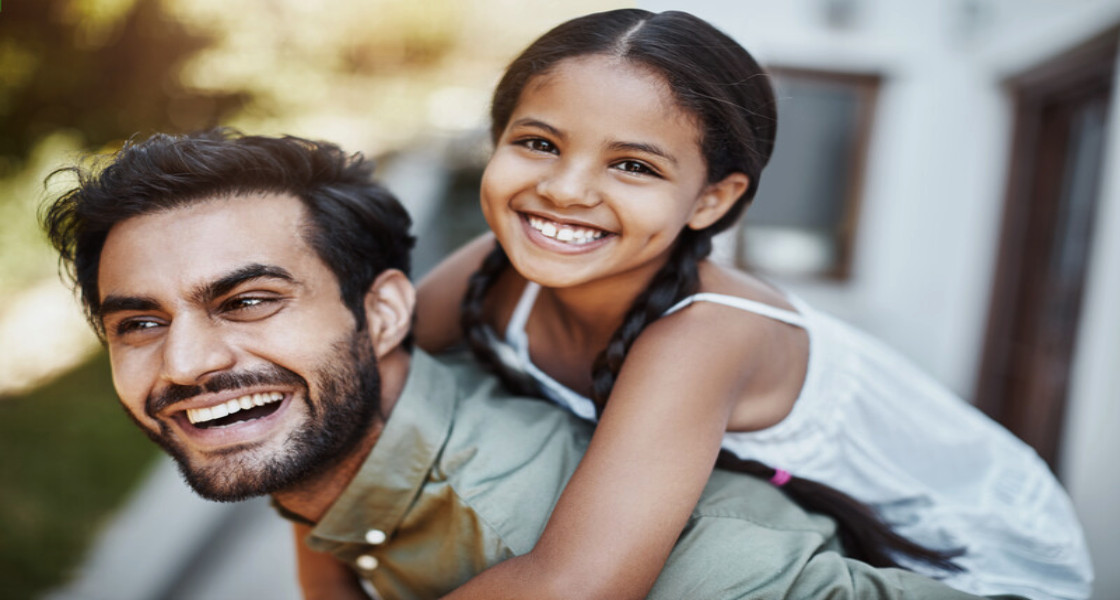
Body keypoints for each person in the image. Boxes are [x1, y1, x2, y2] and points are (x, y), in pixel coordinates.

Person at [40, 129, 1011, 600]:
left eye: (248, 301)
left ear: (383, 311)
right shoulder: (352, 444)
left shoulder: (675, 565)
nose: (190, 362)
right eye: (137, 322)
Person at [407, 8, 1093, 600]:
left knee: (685, 566)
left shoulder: (706, 334)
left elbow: (577, 584)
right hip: (803, 533)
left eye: (634, 165)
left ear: (713, 199)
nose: (565, 189)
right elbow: (356, 394)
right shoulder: (493, 271)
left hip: (976, 567)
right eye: (537, 143)